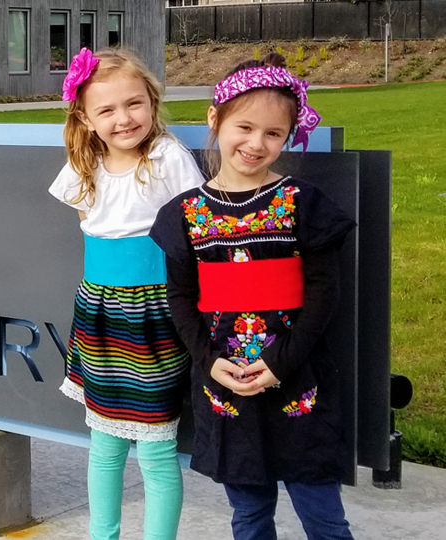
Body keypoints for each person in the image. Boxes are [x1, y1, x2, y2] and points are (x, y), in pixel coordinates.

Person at [149, 53, 356, 540]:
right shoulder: (184, 214)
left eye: (273, 134)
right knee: (249, 516)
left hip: (298, 379)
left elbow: (324, 293)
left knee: (324, 518)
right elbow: (180, 297)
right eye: (244, 127)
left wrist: (282, 362)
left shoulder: (302, 203)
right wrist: (208, 359)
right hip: (227, 384)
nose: (256, 143)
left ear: (287, 137)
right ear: (214, 120)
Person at [49, 48, 205, 540]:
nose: (124, 118)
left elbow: (195, 234)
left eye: (133, 104)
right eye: (107, 110)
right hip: (100, 317)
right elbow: (92, 232)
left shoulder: (168, 159)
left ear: (152, 102)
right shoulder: (83, 166)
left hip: (155, 319)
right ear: (85, 118)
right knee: (105, 444)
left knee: (157, 449)